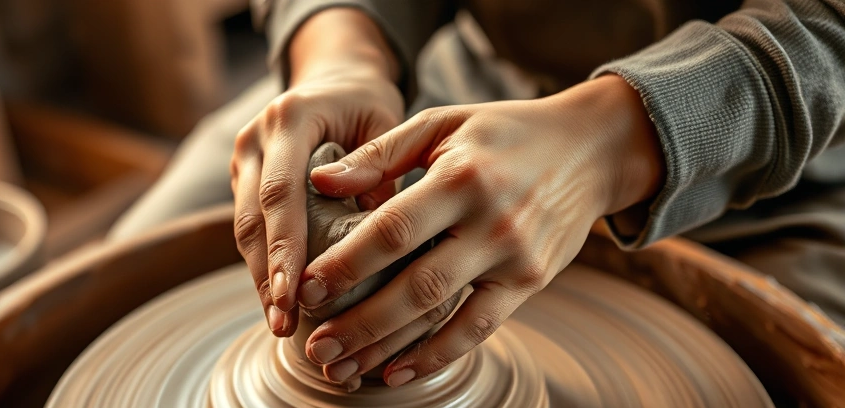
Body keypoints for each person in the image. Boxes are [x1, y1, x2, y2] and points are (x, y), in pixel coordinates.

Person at [111, 0, 845, 387]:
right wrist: (342, 54)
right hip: (452, 86)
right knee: (119, 298)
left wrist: (610, 143)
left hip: (767, 149)